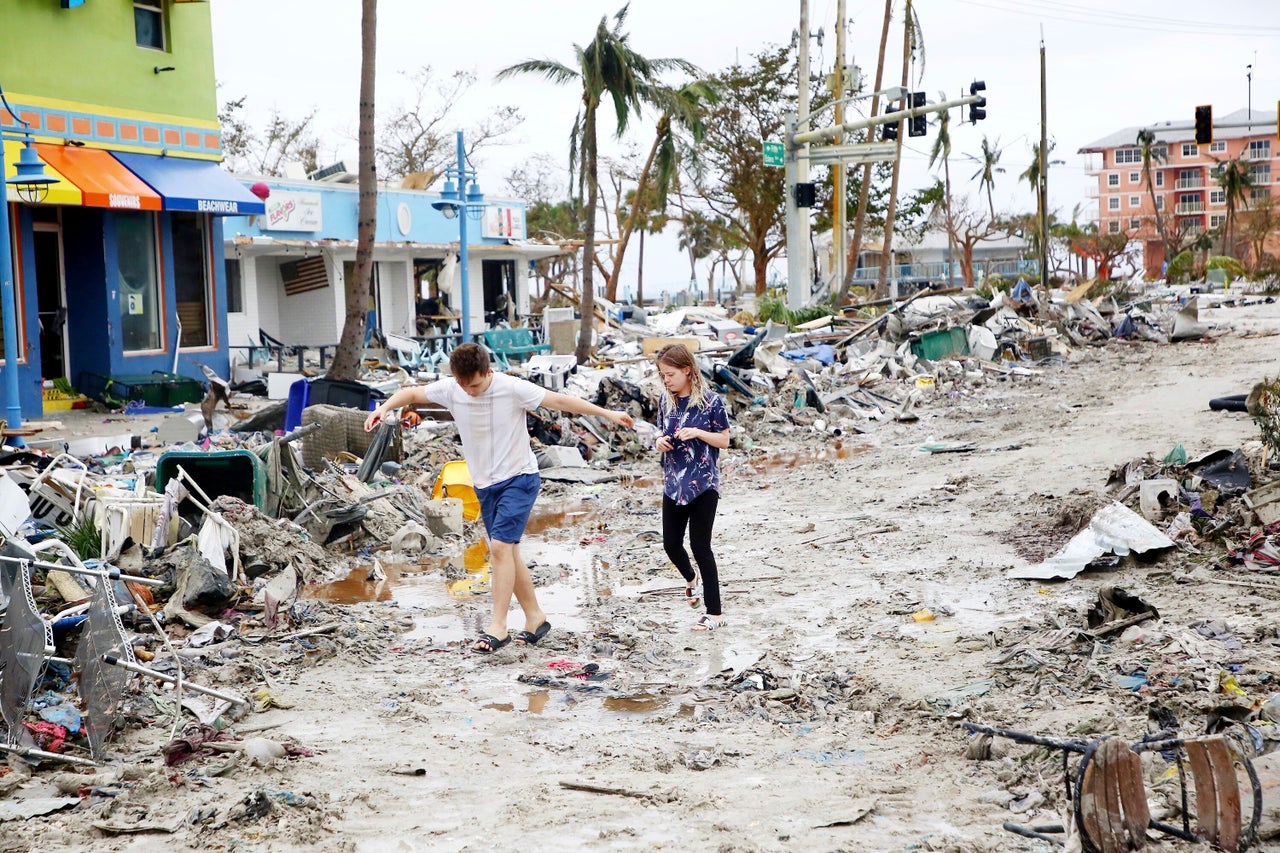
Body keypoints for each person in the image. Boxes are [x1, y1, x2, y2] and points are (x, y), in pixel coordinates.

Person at [364, 343, 635, 653]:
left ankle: (499, 626)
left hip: (519, 479)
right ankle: (536, 618)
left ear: (488, 372)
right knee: (509, 553)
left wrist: (608, 413)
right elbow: (411, 394)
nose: (470, 391)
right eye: (464, 385)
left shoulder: (511, 387)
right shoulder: (454, 389)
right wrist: (383, 408)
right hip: (484, 485)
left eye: (476, 384)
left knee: (500, 548)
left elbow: (560, 400)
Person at [653, 343, 730, 631]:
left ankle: (715, 614)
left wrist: (698, 432)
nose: (667, 380)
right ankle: (690, 579)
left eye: (671, 374)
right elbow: (661, 433)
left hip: (704, 483)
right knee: (671, 544)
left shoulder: (711, 402)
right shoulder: (666, 401)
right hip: (674, 483)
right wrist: (659, 441)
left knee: (700, 546)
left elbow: (724, 440)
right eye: (663, 375)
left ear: (688, 370)